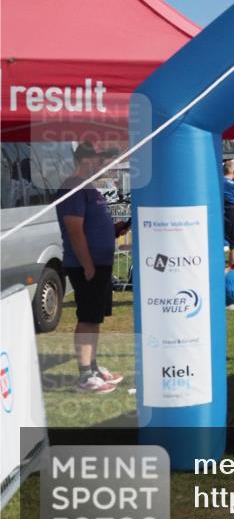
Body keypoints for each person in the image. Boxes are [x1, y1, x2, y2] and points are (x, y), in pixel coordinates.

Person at [56, 143, 128, 393]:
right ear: (86, 160)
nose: (103, 166)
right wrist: (87, 265)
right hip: (87, 265)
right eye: (100, 161)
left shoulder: (88, 187)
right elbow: (74, 230)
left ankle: (93, 368)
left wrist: (114, 229)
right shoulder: (73, 187)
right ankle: (85, 375)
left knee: (95, 318)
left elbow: (90, 225)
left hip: (99, 263)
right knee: (87, 318)